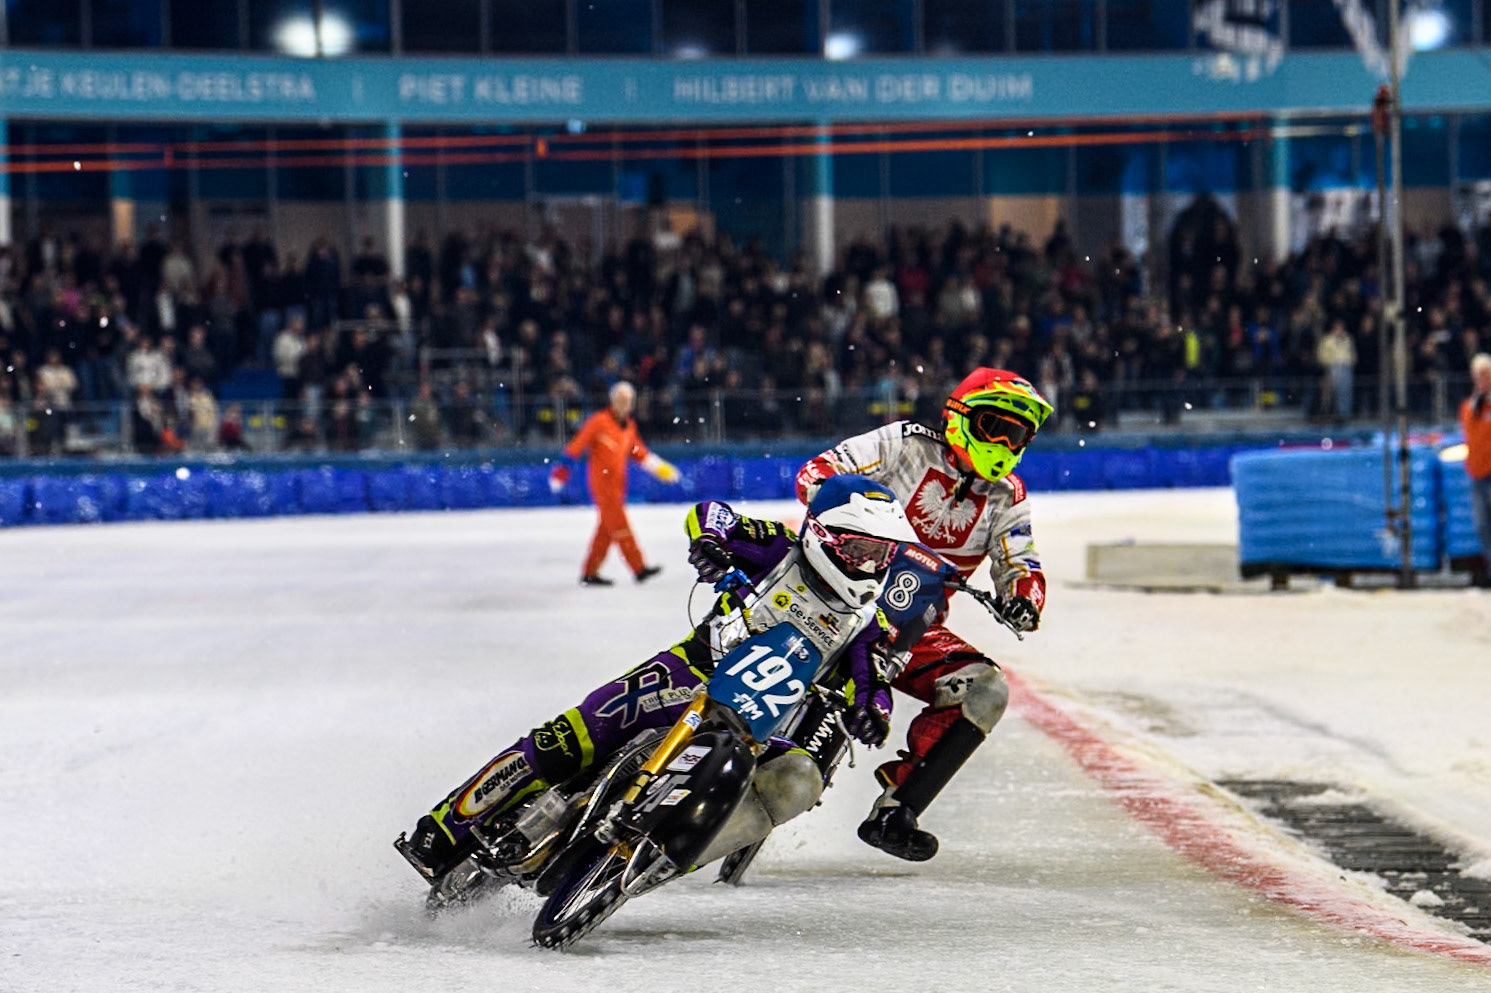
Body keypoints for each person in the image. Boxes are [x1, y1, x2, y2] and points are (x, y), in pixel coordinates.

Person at [398, 476, 918, 887]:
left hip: (758, 725)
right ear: (825, 536)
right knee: (571, 737)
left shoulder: (867, 620)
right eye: (862, 550)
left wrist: (874, 713)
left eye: (882, 554)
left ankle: (653, 864)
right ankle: (442, 831)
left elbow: (872, 679)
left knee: (791, 785)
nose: (872, 565)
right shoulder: (780, 548)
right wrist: (710, 543)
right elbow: (712, 514)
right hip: (689, 670)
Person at [795, 367, 1052, 862]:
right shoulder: (904, 443)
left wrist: (1024, 598)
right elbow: (818, 472)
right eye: (994, 427)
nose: (1003, 443)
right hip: (824, 594)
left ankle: (898, 809)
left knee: (985, 689)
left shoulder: (1008, 496)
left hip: (906, 630)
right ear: (959, 417)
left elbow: (1022, 562)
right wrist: (848, 517)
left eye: (1016, 435)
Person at [548, 381, 679, 586]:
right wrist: (562, 471)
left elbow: (638, 451)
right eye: (620, 400)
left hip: (618, 486)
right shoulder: (598, 421)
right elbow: (578, 444)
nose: (623, 405)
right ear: (612, 401)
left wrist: (659, 467)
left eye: (627, 401)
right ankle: (639, 568)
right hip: (602, 486)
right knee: (620, 525)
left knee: (607, 530)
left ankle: (590, 572)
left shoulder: (629, 427)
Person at [1460, 353, 1491, 586]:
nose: (1481, 380)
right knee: (1482, 526)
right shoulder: (1470, 407)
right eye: (1478, 376)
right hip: (1477, 474)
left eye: (1485, 375)